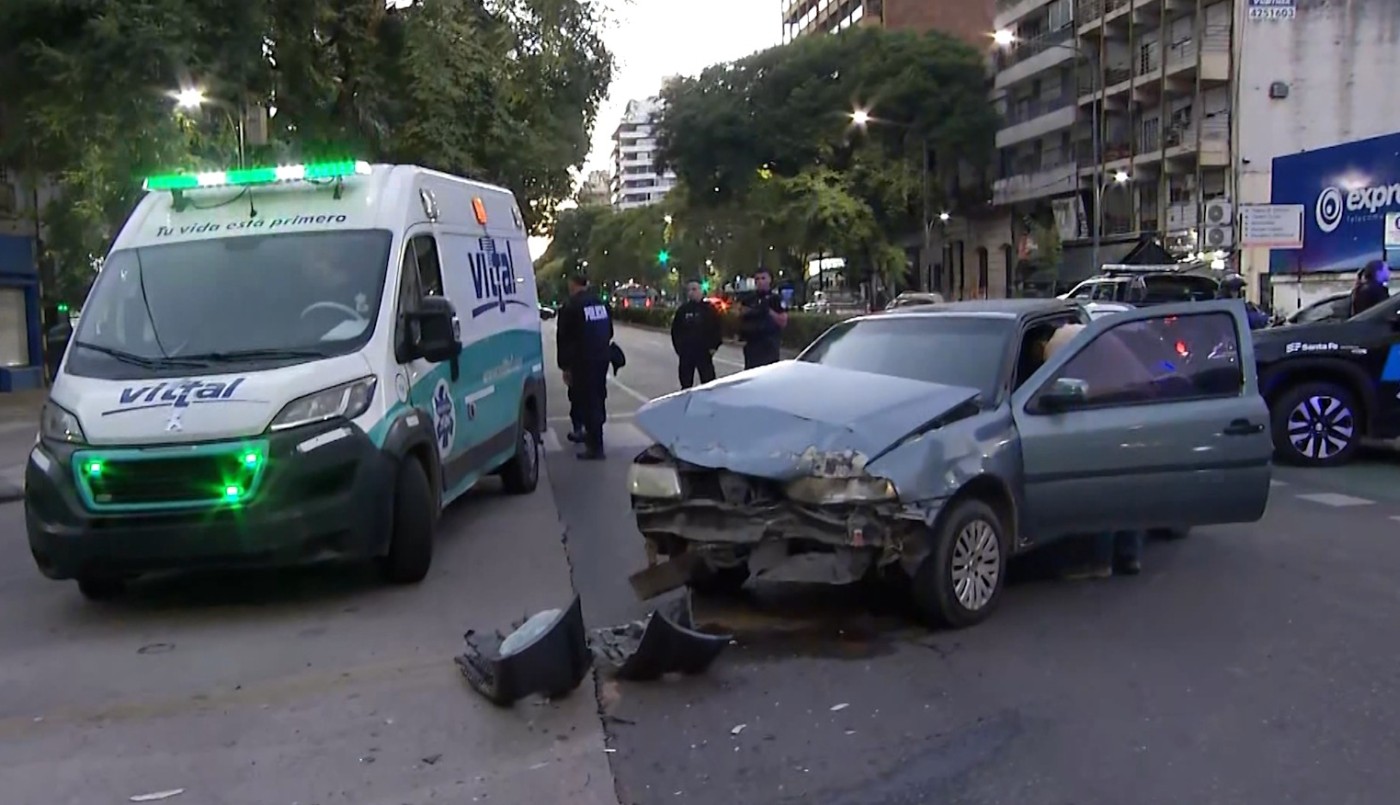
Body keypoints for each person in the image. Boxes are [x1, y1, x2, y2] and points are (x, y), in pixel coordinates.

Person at [1039, 323, 1145, 579]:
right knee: (1125, 487)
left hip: (1108, 409)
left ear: (1040, 342)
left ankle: (1099, 561)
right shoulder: (1081, 331)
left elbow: (1051, 383)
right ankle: (1129, 555)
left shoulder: (1057, 345)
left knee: (1104, 489)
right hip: (1135, 403)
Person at [556, 271, 613, 460]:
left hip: (582, 361)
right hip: (601, 357)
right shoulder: (600, 303)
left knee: (586, 402)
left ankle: (594, 445)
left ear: (573, 285)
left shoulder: (571, 306)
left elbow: (564, 338)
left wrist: (565, 366)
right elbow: (609, 330)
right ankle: (595, 436)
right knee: (598, 397)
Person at [670, 280, 723, 389]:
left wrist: (714, 346)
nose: (691, 292)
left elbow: (717, 328)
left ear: (701, 291)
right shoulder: (683, 310)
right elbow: (676, 331)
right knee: (685, 383)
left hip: (704, 353)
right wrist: (679, 349)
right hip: (687, 354)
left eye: (694, 289)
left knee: (708, 384)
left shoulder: (709, 309)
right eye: (689, 290)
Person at [738, 268, 788, 369]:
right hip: (752, 346)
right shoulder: (749, 299)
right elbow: (740, 315)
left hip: (769, 346)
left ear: (770, 280)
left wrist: (768, 311)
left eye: (763, 278)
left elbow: (783, 322)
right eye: (757, 279)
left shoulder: (775, 299)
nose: (760, 281)